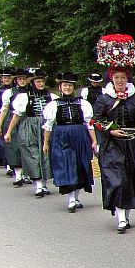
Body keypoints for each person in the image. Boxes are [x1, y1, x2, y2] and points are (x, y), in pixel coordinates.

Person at [92, 34, 135, 232]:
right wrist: (110, 130)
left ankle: (126, 215)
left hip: (132, 142)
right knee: (117, 179)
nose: (120, 81)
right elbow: (96, 120)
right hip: (113, 145)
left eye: (123, 78)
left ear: (127, 79)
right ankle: (120, 216)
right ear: (111, 79)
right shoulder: (104, 99)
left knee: (130, 178)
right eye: (116, 78)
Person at [42, 72, 96, 212]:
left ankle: (76, 197)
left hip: (80, 135)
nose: (67, 88)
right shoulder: (54, 105)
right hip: (61, 136)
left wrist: (94, 141)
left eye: (70, 85)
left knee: (80, 164)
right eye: (65, 85)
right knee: (66, 164)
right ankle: (71, 199)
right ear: (60, 87)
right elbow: (48, 126)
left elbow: (89, 124)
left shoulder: (82, 103)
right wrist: (46, 143)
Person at [6, 69, 54, 197]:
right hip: (29, 126)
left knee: (46, 154)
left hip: (46, 126)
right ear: (33, 83)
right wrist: (9, 132)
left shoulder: (51, 96)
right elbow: (16, 116)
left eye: (42, 81)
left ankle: (44, 184)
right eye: (38, 81)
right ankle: (38, 185)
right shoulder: (24, 97)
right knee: (32, 155)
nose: (40, 84)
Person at [0, 68, 29, 185]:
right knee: (14, 148)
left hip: (27, 120)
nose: (22, 81)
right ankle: (18, 175)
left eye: (24, 79)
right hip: (12, 119)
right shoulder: (9, 92)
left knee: (27, 146)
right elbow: (4, 109)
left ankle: (27, 174)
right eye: (19, 79)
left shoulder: (31, 91)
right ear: (15, 80)